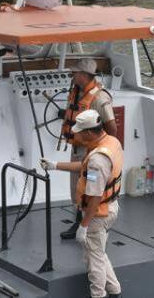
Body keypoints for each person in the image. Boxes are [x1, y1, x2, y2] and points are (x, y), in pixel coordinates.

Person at [41, 109, 122, 298]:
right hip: (110, 208)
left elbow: (94, 196)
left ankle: (99, 295)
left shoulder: (97, 160)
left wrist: (83, 226)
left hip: (97, 214)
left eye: (79, 131)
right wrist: (55, 165)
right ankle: (115, 291)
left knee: (93, 260)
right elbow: (84, 166)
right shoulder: (110, 142)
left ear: (88, 132)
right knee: (98, 253)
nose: (77, 134)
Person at [58, 58, 117, 239]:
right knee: (77, 187)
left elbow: (112, 128)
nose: (72, 75)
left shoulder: (100, 98)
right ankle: (79, 221)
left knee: (91, 187)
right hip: (77, 149)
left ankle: (88, 223)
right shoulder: (76, 92)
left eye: (75, 73)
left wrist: (99, 150)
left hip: (90, 152)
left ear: (84, 75)